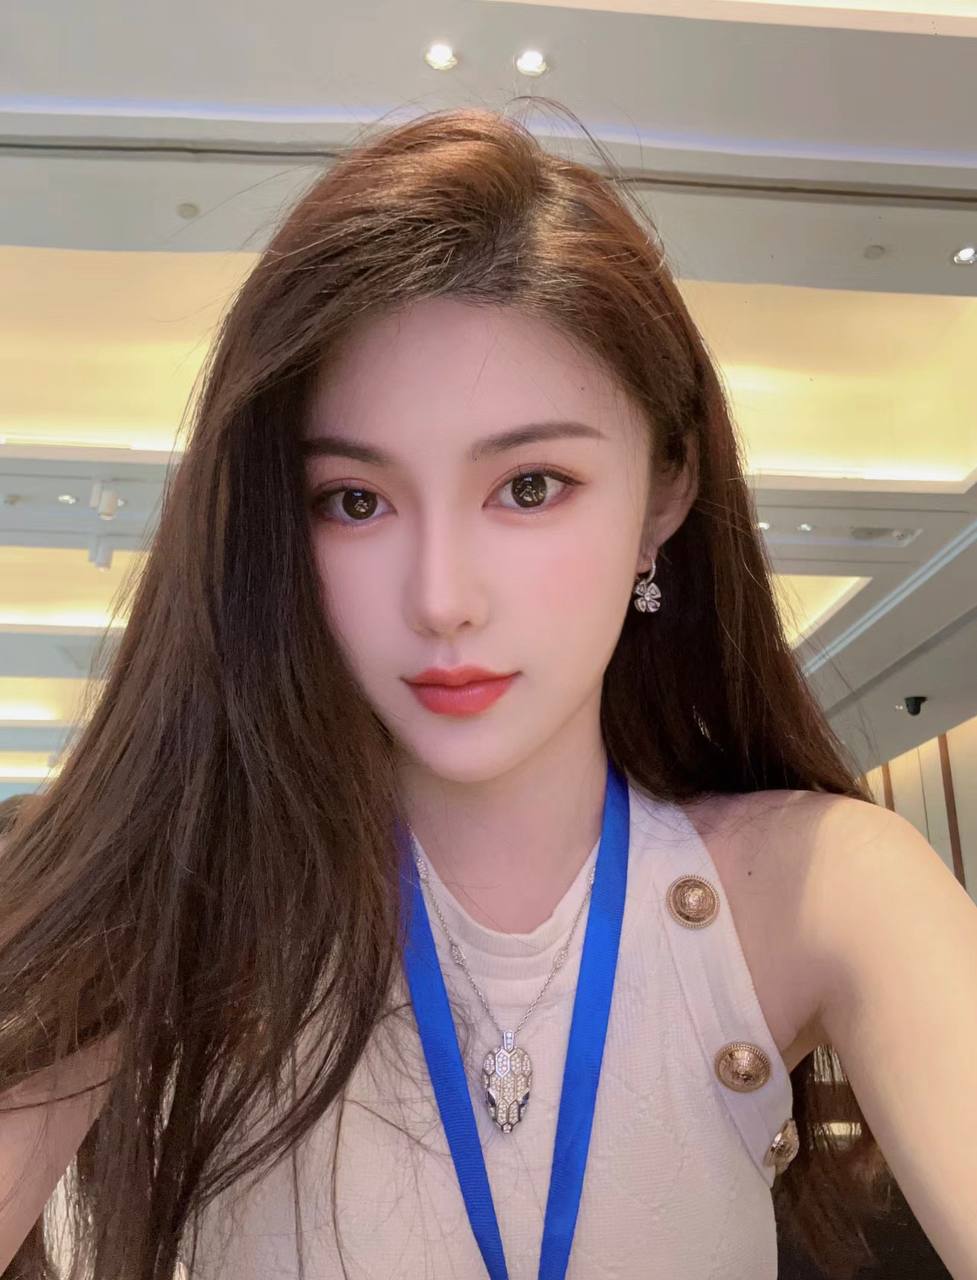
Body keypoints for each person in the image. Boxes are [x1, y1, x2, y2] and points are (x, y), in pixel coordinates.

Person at [1, 101, 975, 1280]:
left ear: (665, 489)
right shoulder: (173, 896)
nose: (440, 599)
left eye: (528, 486)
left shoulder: (818, 887)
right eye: (353, 500)